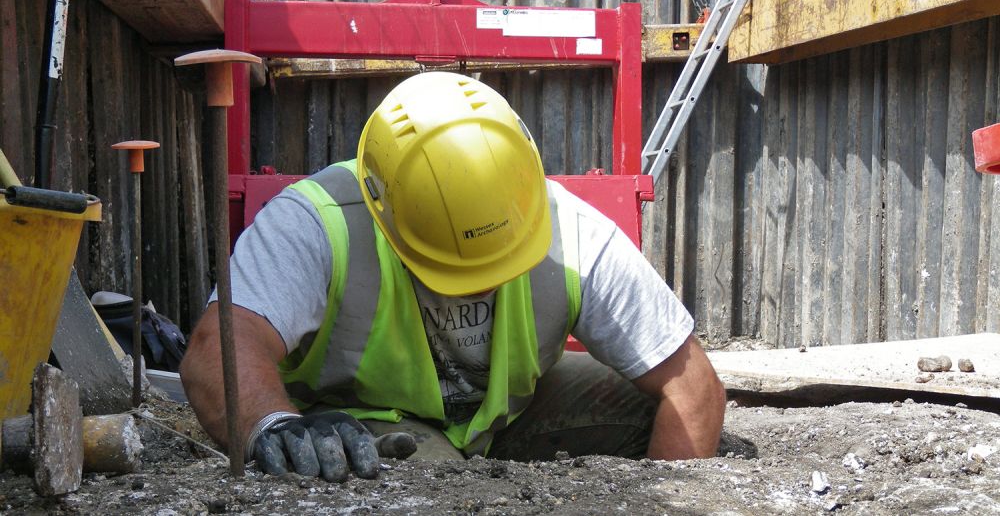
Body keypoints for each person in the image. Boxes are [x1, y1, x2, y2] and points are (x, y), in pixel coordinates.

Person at [180, 72, 726, 482]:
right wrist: (271, 424)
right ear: (383, 210)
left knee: (659, 411)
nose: (482, 286)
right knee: (430, 485)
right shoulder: (316, 222)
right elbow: (218, 349)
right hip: (369, 421)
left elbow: (693, 384)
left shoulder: (576, 232)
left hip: (505, 413)